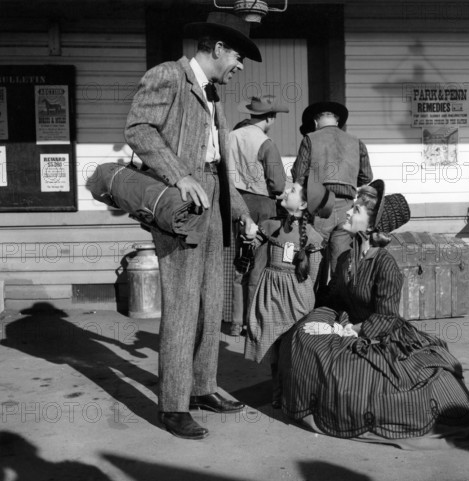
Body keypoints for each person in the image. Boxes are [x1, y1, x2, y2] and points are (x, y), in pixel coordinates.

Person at [124, 12, 262, 440]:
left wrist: (241, 213)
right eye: (238, 56)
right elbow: (139, 129)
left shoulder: (213, 94)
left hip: (213, 201)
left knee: (211, 304)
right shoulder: (168, 75)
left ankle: (202, 388)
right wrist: (176, 174)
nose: (240, 66)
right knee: (183, 308)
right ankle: (173, 404)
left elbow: (217, 165)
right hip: (181, 204)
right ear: (217, 48)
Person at [277, 180, 469, 449]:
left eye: (355, 211)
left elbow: (385, 318)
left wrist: (346, 331)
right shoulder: (347, 258)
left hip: (379, 333)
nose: (347, 213)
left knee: (360, 376)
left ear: (370, 226)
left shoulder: (386, 266)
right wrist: (315, 318)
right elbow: (333, 295)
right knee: (303, 338)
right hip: (348, 321)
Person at [244, 174, 335, 407]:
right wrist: (251, 237)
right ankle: (277, 392)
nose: (286, 192)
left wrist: (305, 299)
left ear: (303, 205)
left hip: (297, 298)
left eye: (292, 191)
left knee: (291, 346)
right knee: (272, 344)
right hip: (271, 294)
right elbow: (254, 250)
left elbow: (314, 277)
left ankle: (292, 392)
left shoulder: (313, 239)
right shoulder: (272, 226)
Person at [225, 96, 289, 337]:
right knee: (258, 265)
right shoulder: (266, 143)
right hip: (262, 205)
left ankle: (235, 322)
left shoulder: (230, 137)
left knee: (240, 260)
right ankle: (253, 323)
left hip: (234, 202)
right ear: (270, 118)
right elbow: (278, 183)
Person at [291, 101, 373, 284]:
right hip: (347, 209)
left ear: (315, 122)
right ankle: (338, 307)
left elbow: (298, 175)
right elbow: (367, 176)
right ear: (337, 121)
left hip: (320, 204)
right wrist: (349, 182)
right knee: (341, 262)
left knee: (314, 259)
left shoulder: (310, 139)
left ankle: (311, 305)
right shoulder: (356, 142)